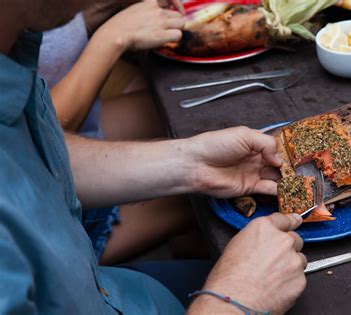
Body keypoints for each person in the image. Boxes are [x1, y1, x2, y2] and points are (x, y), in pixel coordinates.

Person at [0, 0, 307, 313]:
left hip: (115, 291)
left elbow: (34, 162)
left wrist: (193, 162)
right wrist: (234, 301)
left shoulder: (12, 45)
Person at [38, 0, 196, 264]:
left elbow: (49, 46)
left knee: (194, 116)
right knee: (209, 200)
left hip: (73, 137)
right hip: (47, 211)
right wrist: (113, 37)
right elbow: (33, 139)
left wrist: (104, 7)